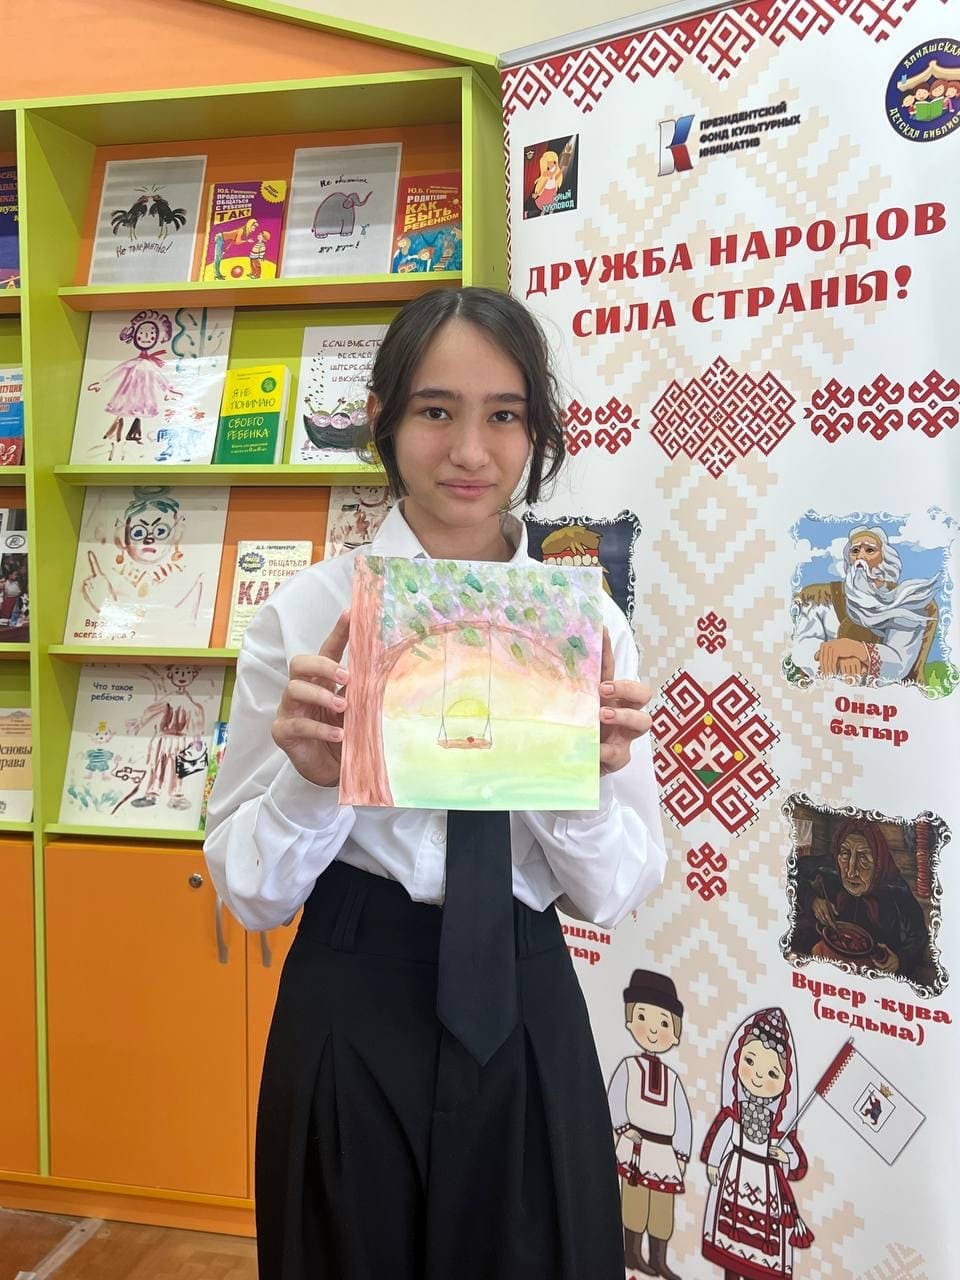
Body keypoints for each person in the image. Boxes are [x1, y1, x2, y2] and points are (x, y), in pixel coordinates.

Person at [204, 286, 667, 1280]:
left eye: (504, 414)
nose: (469, 450)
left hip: (525, 992)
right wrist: (312, 780)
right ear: (382, 416)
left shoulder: (588, 624)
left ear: (536, 429)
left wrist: (572, 776)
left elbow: (613, 890)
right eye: (435, 409)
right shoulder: (307, 616)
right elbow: (249, 892)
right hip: (351, 987)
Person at [700, 1008, 813, 1280]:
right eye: (750, 1061)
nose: (759, 1077)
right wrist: (714, 1163)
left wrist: (785, 1157)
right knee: (730, 1248)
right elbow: (722, 1136)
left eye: (772, 1073)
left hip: (767, 1192)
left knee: (760, 1255)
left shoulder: (779, 1126)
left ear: (785, 1082)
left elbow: (796, 1161)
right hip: (734, 1182)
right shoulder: (735, 1112)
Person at [607, 970, 691, 1280]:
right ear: (631, 1021)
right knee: (634, 1205)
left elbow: (682, 1118)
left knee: (661, 1211)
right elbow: (615, 1099)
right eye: (643, 1017)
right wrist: (622, 1128)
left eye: (664, 1023)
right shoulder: (629, 1067)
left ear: (675, 1032)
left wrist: (681, 1153)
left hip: (663, 1153)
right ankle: (631, 1253)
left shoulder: (672, 1079)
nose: (654, 1030)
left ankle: (659, 1259)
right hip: (636, 1147)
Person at [789, 525, 939, 686]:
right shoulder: (820, 597)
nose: (860, 557)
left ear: (885, 559)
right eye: (855, 551)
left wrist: (855, 649)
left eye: (870, 550)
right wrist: (841, 662)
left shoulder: (906, 602)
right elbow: (802, 648)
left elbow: (899, 662)